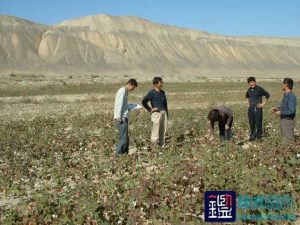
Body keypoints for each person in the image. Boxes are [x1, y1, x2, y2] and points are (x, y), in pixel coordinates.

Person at [142, 77, 168, 148]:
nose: (162, 84)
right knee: (156, 129)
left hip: (163, 112)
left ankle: (162, 145)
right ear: (156, 84)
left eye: (162, 82)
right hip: (156, 113)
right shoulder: (151, 93)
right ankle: (154, 145)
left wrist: (167, 113)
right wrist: (150, 109)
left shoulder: (163, 92)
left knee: (163, 129)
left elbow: (165, 104)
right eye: (160, 82)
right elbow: (144, 101)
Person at [114, 79, 138, 155]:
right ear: (129, 84)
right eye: (133, 88)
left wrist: (131, 107)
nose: (133, 90)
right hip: (121, 118)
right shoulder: (122, 91)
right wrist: (118, 116)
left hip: (124, 117)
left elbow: (123, 105)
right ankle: (117, 155)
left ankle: (124, 154)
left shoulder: (125, 91)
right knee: (123, 139)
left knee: (125, 138)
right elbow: (118, 104)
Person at [271, 78, 297, 143]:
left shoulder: (291, 97)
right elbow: (284, 107)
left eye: (283, 84)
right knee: (285, 140)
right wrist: (277, 108)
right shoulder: (286, 96)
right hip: (284, 121)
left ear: (286, 85)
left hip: (288, 122)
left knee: (288, 142)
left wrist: (281, 112)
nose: (282, 86)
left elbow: (292, 111)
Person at [245, 77, 270, 141]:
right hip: (250, 108)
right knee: (251, 122)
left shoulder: (259, 89)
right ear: (248, 84)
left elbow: (267, 95)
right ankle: (252, 136)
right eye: (250, 83)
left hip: (257, 108)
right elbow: (247, 96)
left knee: (258, 122)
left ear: (255, 82)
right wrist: (248, 104)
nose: (251, 84)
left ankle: (259, 137)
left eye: (252, 82)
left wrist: (263, 104)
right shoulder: (249, 90)